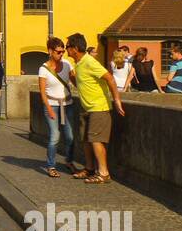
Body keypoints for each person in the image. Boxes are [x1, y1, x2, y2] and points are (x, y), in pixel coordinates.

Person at [66, 32, 125, 184]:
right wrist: (72, 78)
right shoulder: (78, 64)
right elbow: (83, 84)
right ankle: (89, 168)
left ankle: (104, 173)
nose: (66, 50)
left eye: (68, 47)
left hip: (99, 107)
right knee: (86, 139)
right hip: (86, 108)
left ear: (75, 48)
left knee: (96, 139)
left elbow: (109, 78)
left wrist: (117, 100)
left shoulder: (89, 62)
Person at [37, 37, 76, 178]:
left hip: (68, 104)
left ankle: (69, 161)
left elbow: (75, 81)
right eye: (58, 52)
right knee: (55, 136)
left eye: (63, 51)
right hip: (52, 105)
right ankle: (51, 166)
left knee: (70, 136)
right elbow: (42, 92)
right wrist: (49, 108)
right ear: (50, 51)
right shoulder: (43, 69)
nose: (61, 54)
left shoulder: (67, 64)